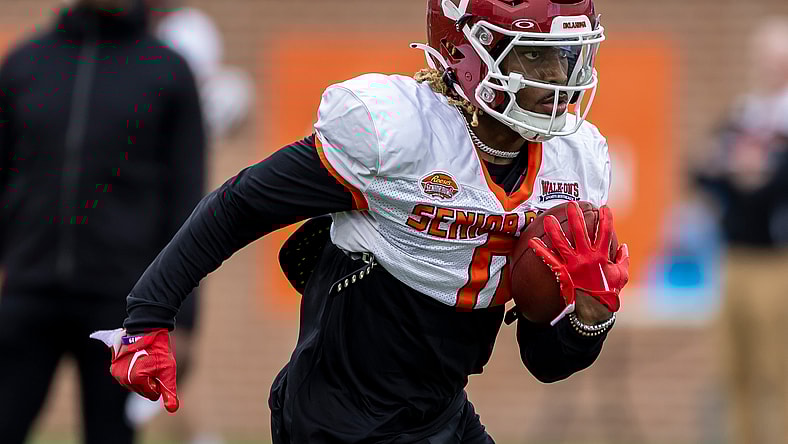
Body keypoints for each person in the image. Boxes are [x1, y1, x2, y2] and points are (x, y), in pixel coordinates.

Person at [91, 0, 630, 442]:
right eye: (535, 60)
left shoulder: (572, 164)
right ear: (472, 53)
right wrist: (148, 313)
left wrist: (587, 316)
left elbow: (547, 362)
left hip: (438, 413)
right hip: (337, 418)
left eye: (564, 57)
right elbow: (243, 204)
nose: (558, 79)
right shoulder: (396, 133)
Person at [0, 0, 205, 442]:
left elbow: (189, 206)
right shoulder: (24, 64)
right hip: (26, 293)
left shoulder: (168, 72)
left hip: (125, 307)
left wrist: (183, 319)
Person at [693, 17, 788, 444]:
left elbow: (767, 188)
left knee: (778, 371)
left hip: (778, 263)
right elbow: (701, 173)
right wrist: (739, 172)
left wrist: (752, 176)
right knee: (735, 372)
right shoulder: (743, 116)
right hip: (734, 259)